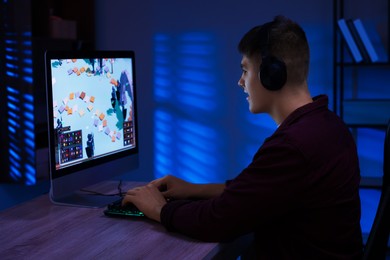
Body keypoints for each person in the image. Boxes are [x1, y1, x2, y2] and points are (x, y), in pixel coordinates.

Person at [122, 15, 363, 259]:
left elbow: (217, 221)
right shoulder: (328, 126)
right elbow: (260, 193)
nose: (240, 82)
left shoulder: (293, 146)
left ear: (271, 74)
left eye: (245, 70)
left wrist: (158, 208)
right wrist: (194, 189)